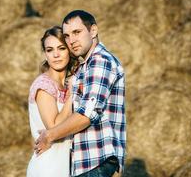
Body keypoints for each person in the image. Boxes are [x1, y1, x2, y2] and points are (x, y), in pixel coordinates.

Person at [35, 10, 126, 177]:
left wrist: (49, 135)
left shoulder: (100, 61)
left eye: (77, 32)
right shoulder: (86, 67)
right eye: (67, 36)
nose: (72, 40)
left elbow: (88, 114)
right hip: (90, 163)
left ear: (93, 31)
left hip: (97, 160)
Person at [26, 26, 76, 177]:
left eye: (61, 48)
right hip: (48, 168)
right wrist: (72, 95)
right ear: (45, 54)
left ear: (70, 50)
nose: (56, 55)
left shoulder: (69, 83)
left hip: (68, 167)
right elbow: (54, 127)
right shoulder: (44, 85)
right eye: (49, 50)